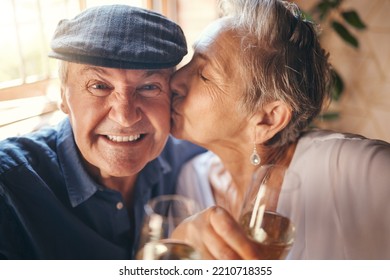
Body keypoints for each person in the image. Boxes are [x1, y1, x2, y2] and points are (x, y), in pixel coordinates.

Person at [170, 0, 390, 259]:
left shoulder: (356, 170)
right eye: (191, 59)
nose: (174, 80)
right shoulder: (191, 181)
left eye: (204, 74)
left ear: (268, 119)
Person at [0, 4, 204, 259]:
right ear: (63, 96)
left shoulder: (187, 156)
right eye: (99, 86)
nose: (126, 116)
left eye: (150, 87)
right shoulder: (8, 188)